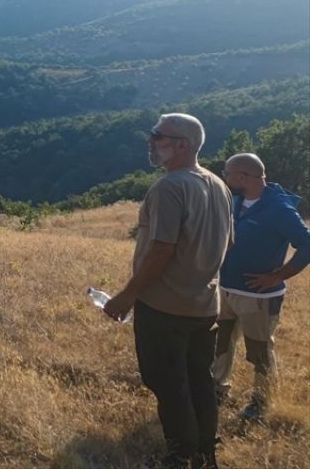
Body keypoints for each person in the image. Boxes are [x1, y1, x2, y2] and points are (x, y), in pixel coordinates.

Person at [103, 113, 232, 469]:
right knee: (200, 381)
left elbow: (162, 248)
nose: (151, 141)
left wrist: (127, 295)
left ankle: (179, 455)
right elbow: (229, 243)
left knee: (167, 382)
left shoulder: (169, 187)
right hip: (205, 306)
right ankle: (206, 454)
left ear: (182, 145)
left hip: (164, 308)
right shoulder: (218, 185)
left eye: (158, 136)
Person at [212, 152, 310, 421]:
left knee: (259, 351)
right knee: (221, 343)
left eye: (228, 171)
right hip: (226, 290)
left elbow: (307, 245)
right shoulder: (234, 201)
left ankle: (261, 402)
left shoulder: (279, 208)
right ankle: (218, 388)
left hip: (259, 297)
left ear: (243, 177)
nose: (224, 175)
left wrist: (278, 275)